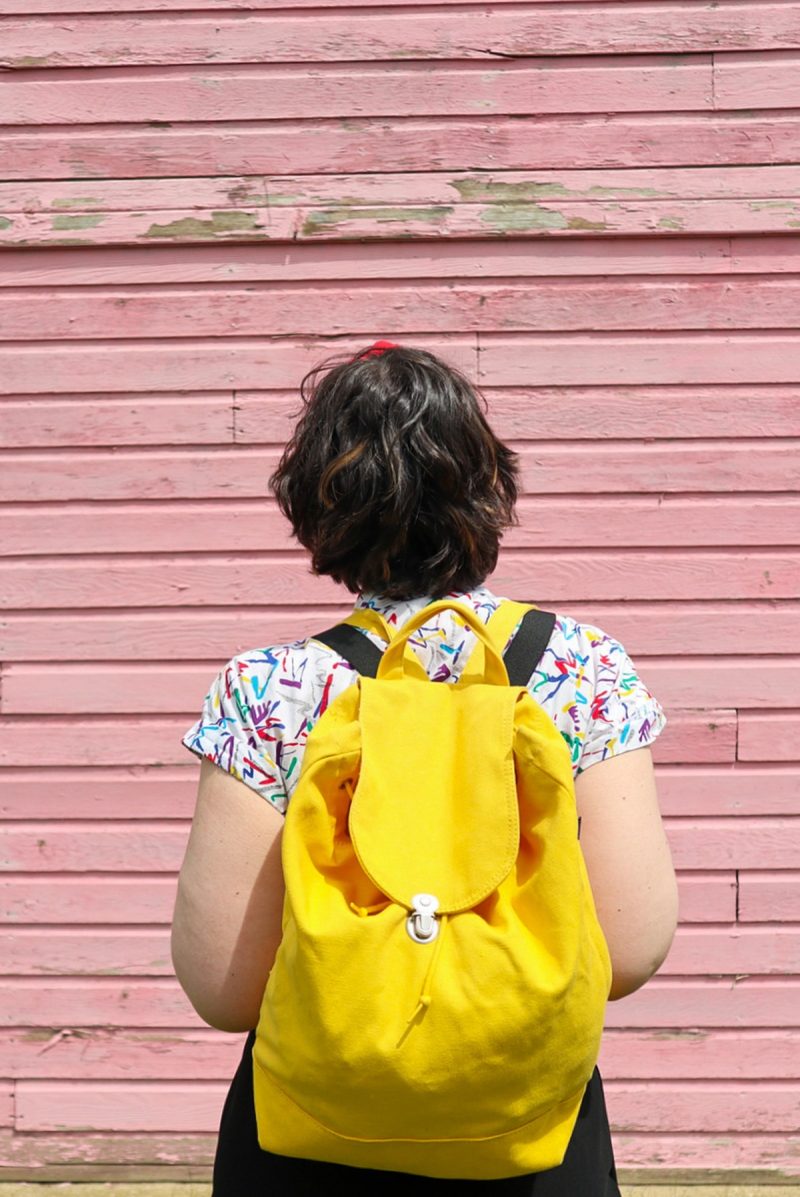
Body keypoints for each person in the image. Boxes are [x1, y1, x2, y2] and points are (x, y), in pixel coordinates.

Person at [173, 342, 679, 1195]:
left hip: (316, 1131)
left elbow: (224, 991)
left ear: (316, 503)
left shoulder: (270, 687)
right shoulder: (583, 667)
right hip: (526, 1127)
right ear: (486, 486)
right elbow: (628, 950)